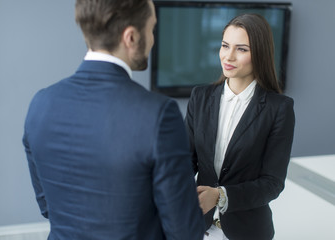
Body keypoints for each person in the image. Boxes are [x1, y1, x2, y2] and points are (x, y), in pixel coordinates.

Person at [22, 0, 205, 239]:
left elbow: (48, 206)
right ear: (130, 37)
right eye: (151, 29)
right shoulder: (159, 114)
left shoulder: (40, 103)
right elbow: (184, 232)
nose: (152, 39)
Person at [185, 13, 295, 240]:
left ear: (260, 54)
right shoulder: (200, 97)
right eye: (225, 45)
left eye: (242, 49)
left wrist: (220, 196)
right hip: (199, 227)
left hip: (248, 231)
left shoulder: (279, 108)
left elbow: (272, 183)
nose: (228, 56)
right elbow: (186, 160)